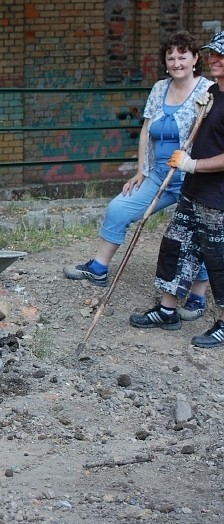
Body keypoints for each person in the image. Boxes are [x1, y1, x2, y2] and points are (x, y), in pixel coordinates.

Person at [65, 31, 213, 321]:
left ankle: (197, 296)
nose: (176, 62)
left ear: (195, 59)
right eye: (170, 57)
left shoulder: (209, 91)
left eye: (182, 56)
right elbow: (147, 130)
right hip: (159, 175)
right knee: (119, 207)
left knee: (197, 236)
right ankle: (98, 268)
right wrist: (141, 171)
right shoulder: (160, 89)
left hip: (194, 180)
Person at [128, 31, 224, 347]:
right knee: (175, 245)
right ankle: (168, 310)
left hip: (218, 197)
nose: (215, 60)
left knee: (219, 259)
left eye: (221, 56)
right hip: (193, 191)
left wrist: (191, 165)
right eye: (213, 54)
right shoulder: (213, 93)